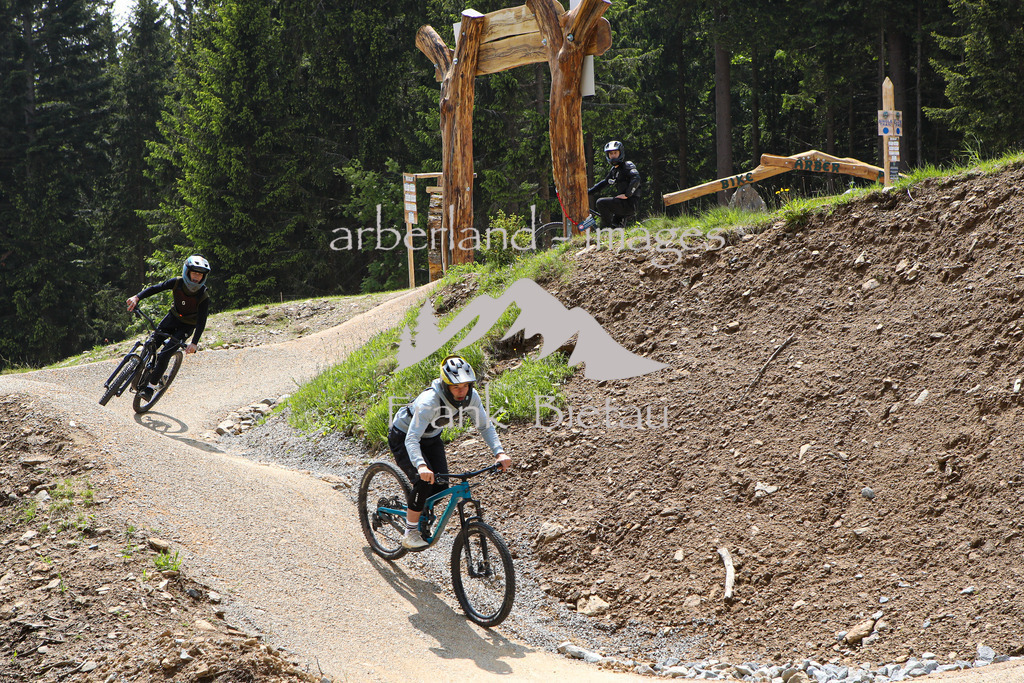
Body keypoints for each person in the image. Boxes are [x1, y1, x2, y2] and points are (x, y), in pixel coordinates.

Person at [388, 354, 512, 549]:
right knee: (423, 481)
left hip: (431, 437)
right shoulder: (429, 401)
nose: (461, 391)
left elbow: (484, 426)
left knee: (441, 485)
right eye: (456, 387)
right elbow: (412, 438)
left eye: (465, 386)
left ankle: (419, 511)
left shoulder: (471, 396)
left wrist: (499, 452)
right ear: (446, 385)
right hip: (404, 436)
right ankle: (410, 531)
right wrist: (421, 465)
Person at [125, 255, 211, 400]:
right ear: (187, 271)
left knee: (165, 354)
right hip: (172, 318)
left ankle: (150, 388)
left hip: (187, 326)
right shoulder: (177, 282)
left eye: (200, 274)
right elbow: (156, 288)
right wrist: (137, 297)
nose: (197, 277)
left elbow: (201, 322)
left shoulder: (203, 296)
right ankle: (139, 369)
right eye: (194, 273)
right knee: (151, 342)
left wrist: (194, 342)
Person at [588, 140, 641, 229]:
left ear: (620, 153)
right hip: (622, 204)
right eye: (610, 153)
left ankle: (605, 230)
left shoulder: (627, 165)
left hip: (629, 204)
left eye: (615, 153)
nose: (613, 156)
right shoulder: (614, 171)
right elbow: (604, 183)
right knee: (615, 230)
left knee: (601, 203)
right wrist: (588, 192)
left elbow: (636, 178)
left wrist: (627, 194)